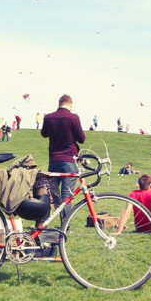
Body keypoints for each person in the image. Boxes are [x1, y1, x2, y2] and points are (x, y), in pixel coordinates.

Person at [41, 94, 85, 223]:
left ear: (59, 103)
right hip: (69, 160)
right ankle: (65, 226)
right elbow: (81, 139)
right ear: (70, 105)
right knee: (67, 194)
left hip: (54, 159)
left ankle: (43, 224)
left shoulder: (49, 117)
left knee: (50, 194)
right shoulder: (73, 117)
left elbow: (44, 134)